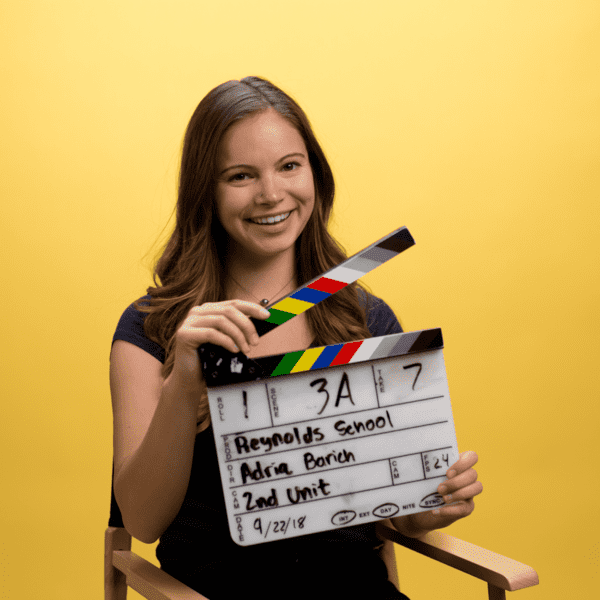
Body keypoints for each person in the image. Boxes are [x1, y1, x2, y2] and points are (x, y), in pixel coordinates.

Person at [110, 76, 483, 600]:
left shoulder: (365, 321)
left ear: (315, 173)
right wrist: (184, 379)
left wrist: (435, 500)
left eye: (289, 165)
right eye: (240, 175)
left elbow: (407, 513)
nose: (271, 194)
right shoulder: (152, 329)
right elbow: (143, 520)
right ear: (206, 192)